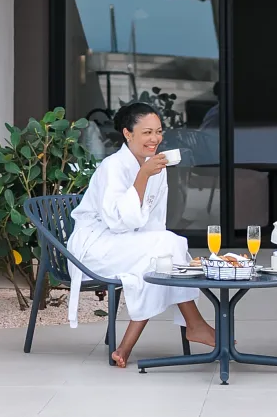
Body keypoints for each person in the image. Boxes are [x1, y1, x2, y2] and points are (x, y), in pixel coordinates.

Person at [68, 100, 218, 369]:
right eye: (147, 132)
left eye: (159, 131)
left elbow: (154, 225)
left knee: (163, 250)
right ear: (128, 134)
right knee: (166, 246)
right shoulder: (112, 167)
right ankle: (195, 325)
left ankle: (127, 347)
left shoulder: (155, 168)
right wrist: (142, 177)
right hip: (94, 247)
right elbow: (116, 223)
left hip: (127, 244)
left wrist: (148, 174)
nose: (156, 139)